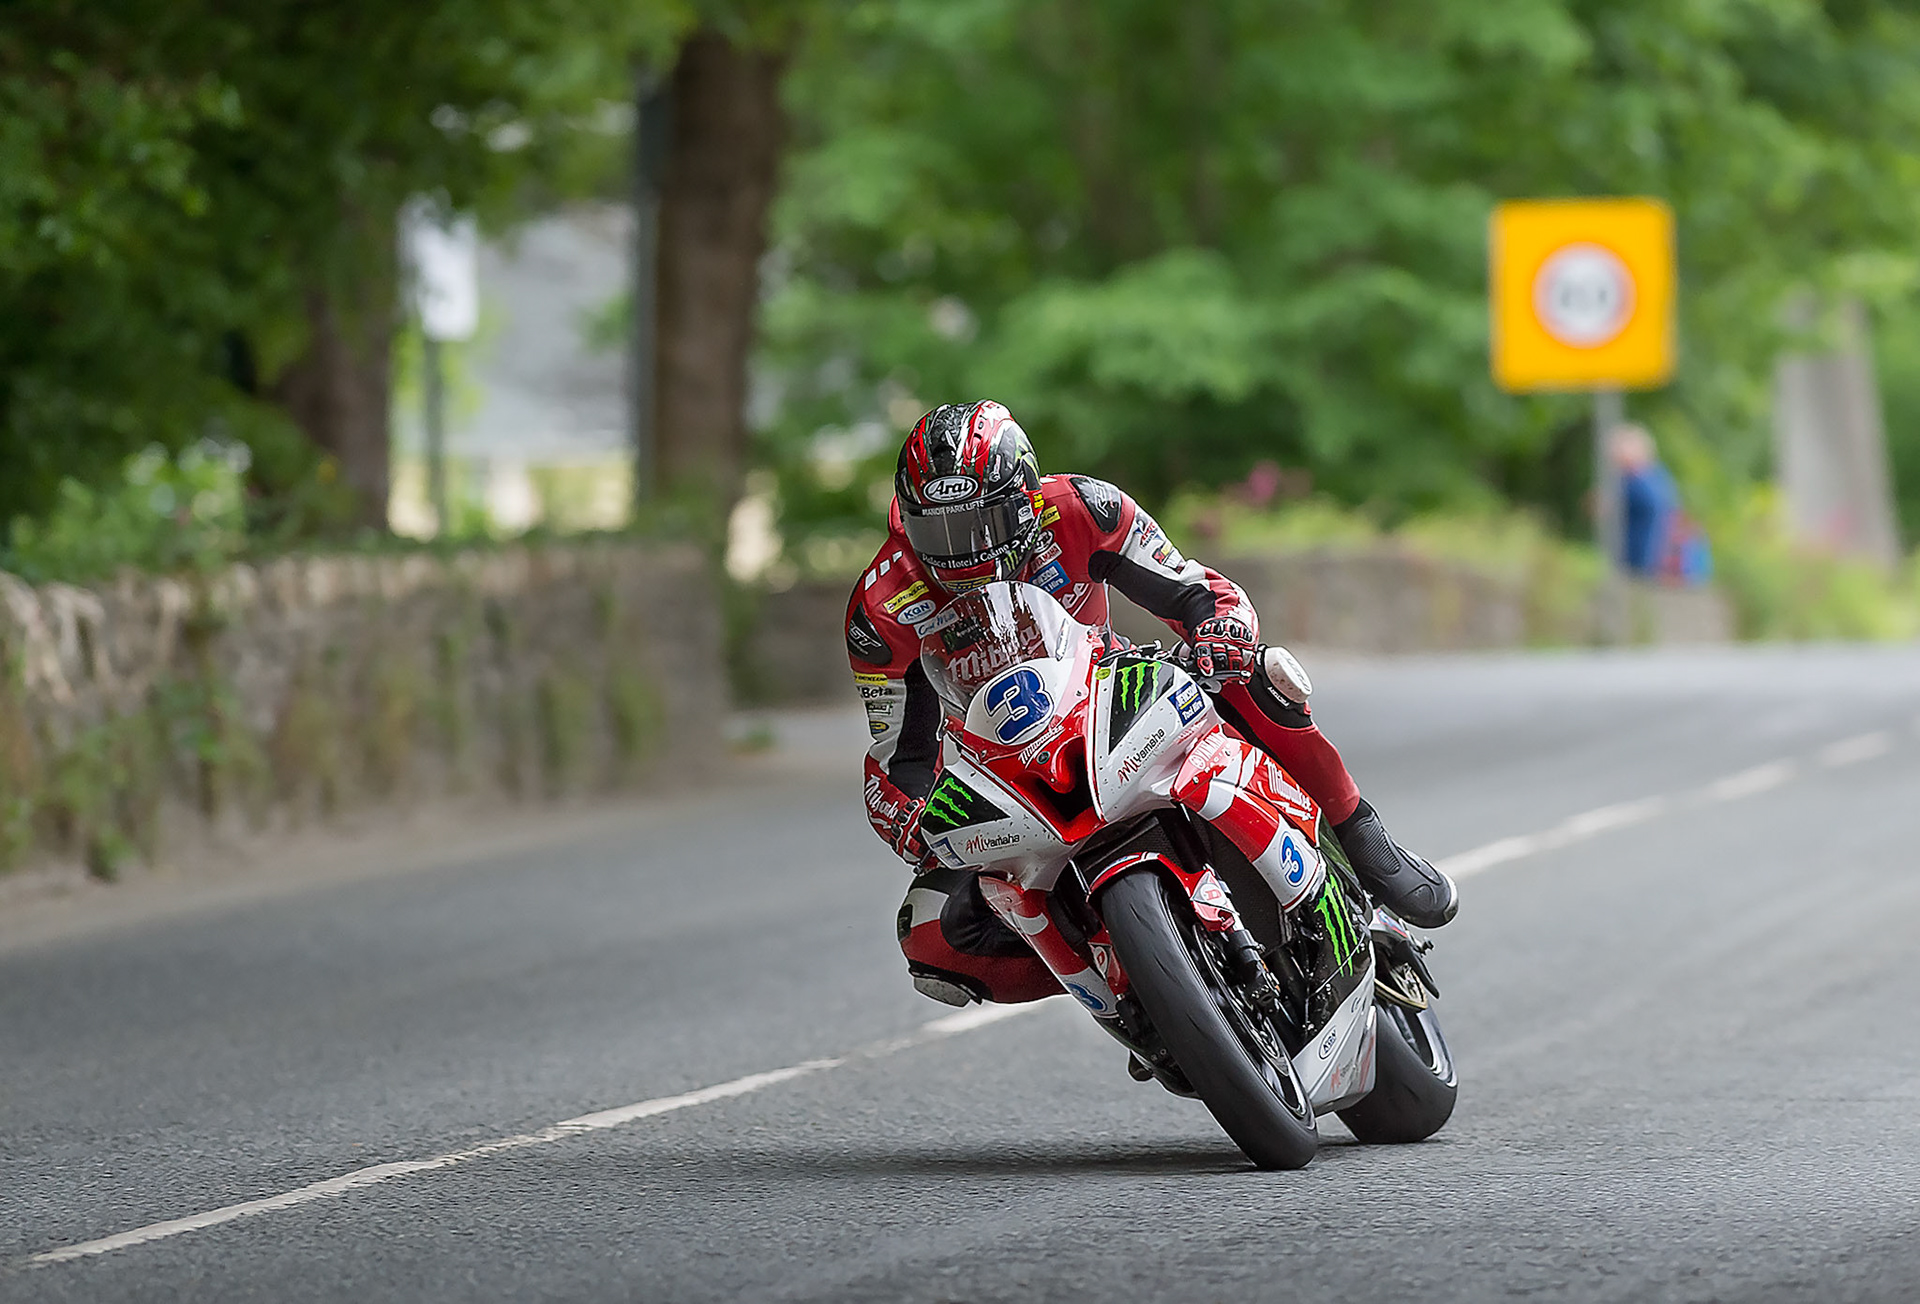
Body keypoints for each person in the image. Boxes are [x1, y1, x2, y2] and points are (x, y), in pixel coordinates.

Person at [846, 400, 1457, 1008]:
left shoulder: (1085, 509)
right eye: (941, 533)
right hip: (999, 764)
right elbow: (898, 750)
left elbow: (1198, 590)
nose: (964, 554)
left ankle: (1363, 840)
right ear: (906, 523)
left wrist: (1222, 632)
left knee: (1255, 672)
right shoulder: (882, 609)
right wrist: (906, 813)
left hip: (1106, 695)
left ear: (1026, 500)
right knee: (928, 936)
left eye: (983, 527)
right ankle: (1128, 985)